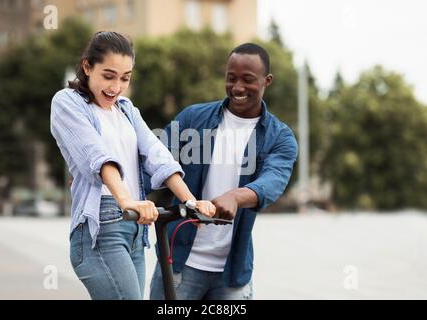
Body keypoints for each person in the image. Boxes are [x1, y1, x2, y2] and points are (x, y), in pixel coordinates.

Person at [50, 31, 215, 300]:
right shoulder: (67, 103)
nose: (116, 87)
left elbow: (157, 154)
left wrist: (191, 202)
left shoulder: (126, 109)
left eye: (125, 78)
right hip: (99, 231)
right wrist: (126, 201)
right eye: (108, 75)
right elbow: (97, 155)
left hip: (136, 229)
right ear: (87, 67)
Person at [149, 43, 298, 300]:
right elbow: (155, 160)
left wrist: (236, 197)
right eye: (231, 78)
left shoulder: (280, 137)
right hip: (179, 264)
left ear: (267, 80)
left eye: (248, 80)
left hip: (232, 275)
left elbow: (272, 181)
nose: (237, 87)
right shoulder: (193, 119)